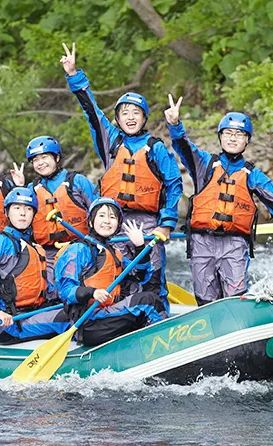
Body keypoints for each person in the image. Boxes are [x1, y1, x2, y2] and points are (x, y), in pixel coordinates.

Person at [164, 96, 273, 304]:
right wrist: (175, 124)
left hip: (234, 244)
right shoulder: (204, 163)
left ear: (247, 140)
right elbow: (184, 146)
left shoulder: (253, 175)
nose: (233, 138)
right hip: (201, 242)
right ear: (220, 137)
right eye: (228, 134)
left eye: (239, 134)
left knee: (234, 299)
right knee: (206, 298)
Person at [60, 43, 182, 310]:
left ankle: (157, 313)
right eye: (124, 113)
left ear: (144, 118)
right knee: (118, 273)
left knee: (150, 273)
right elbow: (91, 111)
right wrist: (73, 75)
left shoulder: (155, 147)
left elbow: (174, 185)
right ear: (117, 119)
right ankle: (123, 318)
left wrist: (166, 224)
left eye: (135, 113)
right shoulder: (111, 142)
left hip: (148, 222)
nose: (129, 117)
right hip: (114, 220)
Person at [55, 197, 168, 347]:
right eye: (101, 215)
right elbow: (65, 290)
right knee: (149, 301)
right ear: (91, 222)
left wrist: (140, 247)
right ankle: (167, 343)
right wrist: (92, 292)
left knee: (146, 303)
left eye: (112, 217)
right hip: (89, 322)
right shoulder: (79, 249)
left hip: (106, 315)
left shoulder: (114, 253)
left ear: (118, 224)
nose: (107, 221)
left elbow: (140, 276)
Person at [0, 187, 68, 345]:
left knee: (75, 308)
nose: (23, 213)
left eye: (28, 209)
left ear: (33, 214)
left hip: (33, 313)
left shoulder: (36, 248)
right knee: (68, 317)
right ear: (7, 212)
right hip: (8, 323)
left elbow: (48, 288)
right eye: (17, 208)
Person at [12, 135, 97, 274]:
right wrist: (19, 187)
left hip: (81, 247)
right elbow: (18, 218)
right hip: (48, 254)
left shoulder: (77, 181)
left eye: (44, 157)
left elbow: (99, 210)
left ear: (57, 158)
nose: (40, 163)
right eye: (35, 160)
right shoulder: (30, 189)